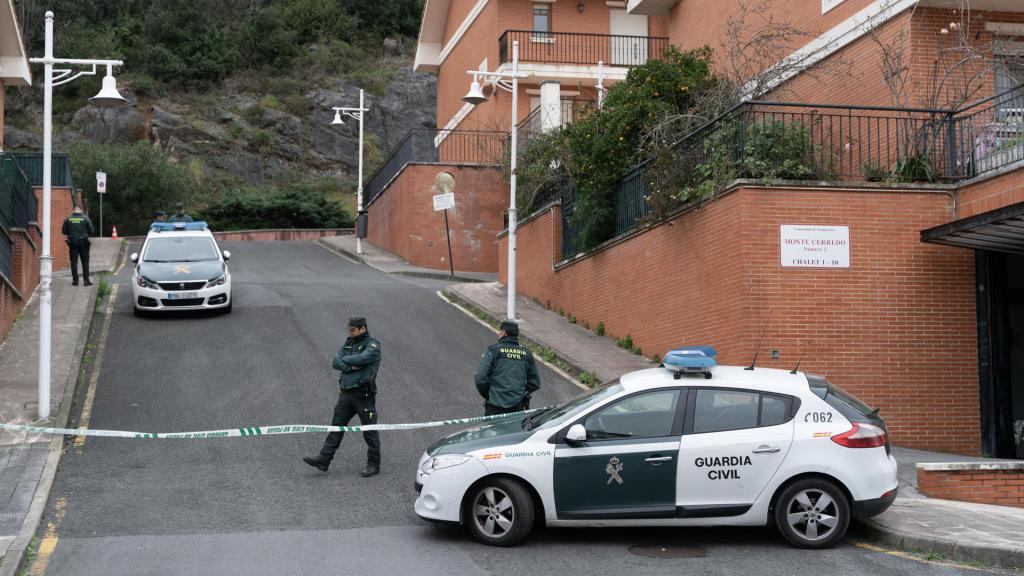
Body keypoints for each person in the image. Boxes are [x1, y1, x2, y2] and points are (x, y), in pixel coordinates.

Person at [304, 317, 382, 477]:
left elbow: (363, 358)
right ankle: (324, 460)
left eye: (353, 330)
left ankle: (374, 464)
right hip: (346, 394)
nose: (350, 333)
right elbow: (335, 361)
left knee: (369, 430)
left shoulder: (373, 345)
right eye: (349, 330)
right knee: (336, 427)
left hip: (363, 395)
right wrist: (351, 366)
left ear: (363, 328)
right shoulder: (349, 343)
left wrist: (345, 361)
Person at [475, 320, 541, 416]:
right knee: (514, 430)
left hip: (495, 404)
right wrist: (521, 394)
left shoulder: (493, 351)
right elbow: (535, 383)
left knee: (492, 430)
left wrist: (489, 395)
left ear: (503, 333)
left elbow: (480, 378)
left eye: (499, 331)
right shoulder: (527, 354)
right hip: (517, 406)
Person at [61, 206, 94, 286]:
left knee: (74, 262)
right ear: (81, 211)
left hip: (72, 243)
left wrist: (70, 232)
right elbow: (91, 230)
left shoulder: (68, 219)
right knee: (85, 262)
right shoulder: (85, 219)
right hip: (84, 243)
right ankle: (86, 281)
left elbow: (64, 231)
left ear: (73, 211)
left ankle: (75, 281)